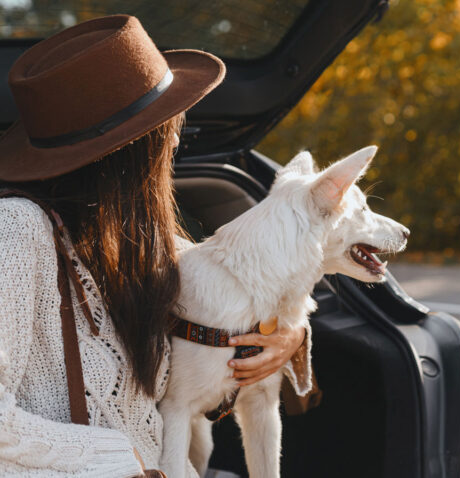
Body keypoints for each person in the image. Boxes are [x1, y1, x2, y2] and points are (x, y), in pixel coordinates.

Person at [0, 15, 309, 477]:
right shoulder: (17, 231)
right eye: (168, 125)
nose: (178, 138)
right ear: (134, 148)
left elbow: (243, 298)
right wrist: (118, 458)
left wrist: (291, 339)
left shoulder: (145, 243)